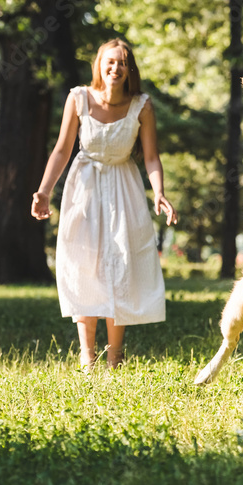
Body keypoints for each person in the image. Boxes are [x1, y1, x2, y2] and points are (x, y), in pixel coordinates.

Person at [31, 39, 178, 372]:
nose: (115, 68)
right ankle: (87, 355)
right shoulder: (79, 98)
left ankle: (114, 356)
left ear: (130, 71)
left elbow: (151, 157)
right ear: (99, 64)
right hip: (84, 186)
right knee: (84, 263)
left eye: (123, 63)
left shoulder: (142, 106)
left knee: (120, 265)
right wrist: (43, 191)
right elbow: (61, 150)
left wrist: (158, 192)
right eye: (110, 62)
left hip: (123, 187)